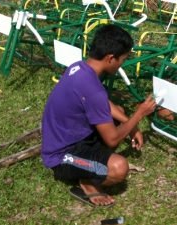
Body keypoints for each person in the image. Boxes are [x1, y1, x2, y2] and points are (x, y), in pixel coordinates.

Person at [41, 24, 156, 207]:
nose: (121, 65)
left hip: (72, 135)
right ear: (111, 58)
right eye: (122, 60)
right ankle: (87, 182)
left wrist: (130, 125)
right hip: (61, 155)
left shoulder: (80, 68)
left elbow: (102, 102)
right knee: (119, 168)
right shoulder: (93, 89)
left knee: (118, 110)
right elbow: (112, 140)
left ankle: (88, 166)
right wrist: (139, 114)